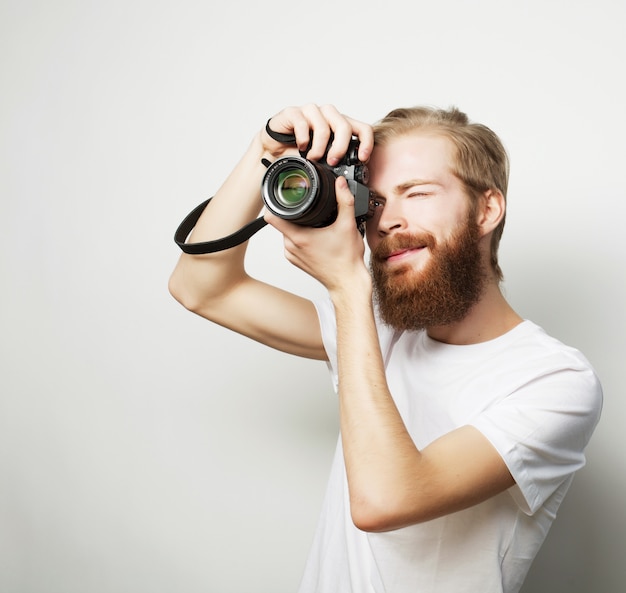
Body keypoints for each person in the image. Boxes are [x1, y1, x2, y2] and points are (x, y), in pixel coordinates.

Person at [168, 104, 602, 593]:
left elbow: (383, 501)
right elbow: (200, 287)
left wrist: (348, 287)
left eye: (416, 193)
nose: (387, 221)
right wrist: (263, 153)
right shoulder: (381, 331)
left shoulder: (555, 380)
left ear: (487, 209)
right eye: (372, 202)